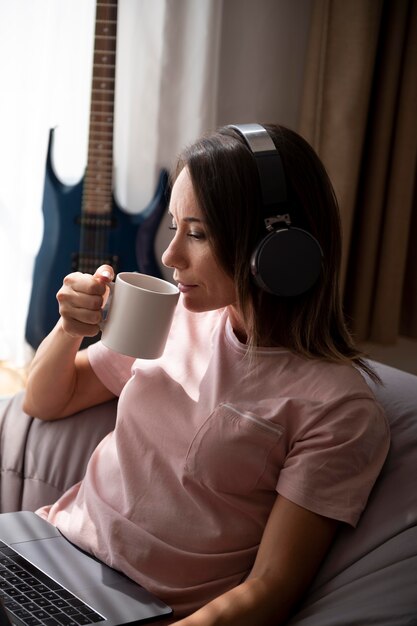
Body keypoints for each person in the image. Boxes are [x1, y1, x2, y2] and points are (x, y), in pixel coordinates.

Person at [23, 123, 390, 625]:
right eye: (175, 227)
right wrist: (69, 329)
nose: (170, 257)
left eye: (197, 234)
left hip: (141, 610)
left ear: (279, 249)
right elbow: (44, 401)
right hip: (49, 550)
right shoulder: (170, 317)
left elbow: (270, 588)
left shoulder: (337, 407)